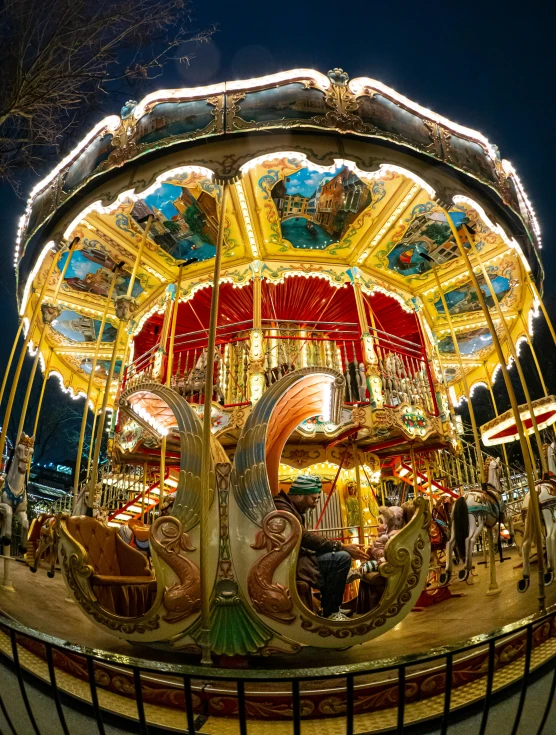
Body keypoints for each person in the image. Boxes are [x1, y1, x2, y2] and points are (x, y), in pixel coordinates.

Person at [274, 475, 369, 620]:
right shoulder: (282, 508)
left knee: (338, 557)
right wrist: (341, 546)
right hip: (288, 563)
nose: (314, 505)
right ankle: (331, 612)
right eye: (314, 499)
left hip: (292, 559)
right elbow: (303, 536)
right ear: (300, 494)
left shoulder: (287, 506)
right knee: (341, 558)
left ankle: (332, 607)